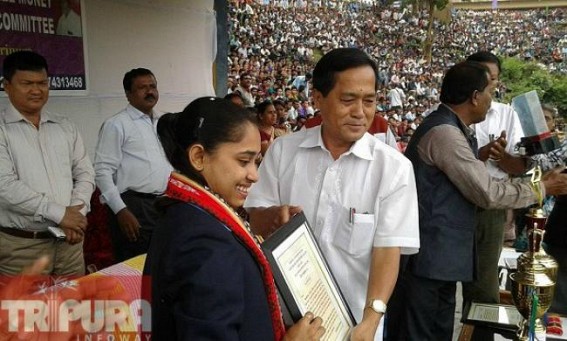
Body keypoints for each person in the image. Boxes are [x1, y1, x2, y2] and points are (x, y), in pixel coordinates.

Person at [244, 48, 420, 341]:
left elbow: (388, 251)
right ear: (317, 99)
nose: (360, 112)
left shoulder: (394, 169)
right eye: (348, 99)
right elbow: (256, 218)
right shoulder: (283, 152)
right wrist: (275, 217)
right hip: (285, 323)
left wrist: (371, 320)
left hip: (353, 327)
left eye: (369, 101)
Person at [398, 61, 567, 340]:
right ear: (475, 96)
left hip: (440, 258)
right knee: (421, 332)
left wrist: (480, 158)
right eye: (491, 91)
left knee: (438, 330)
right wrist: (541, 188)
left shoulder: (455, 129)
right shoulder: (445, 134)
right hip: (427, 259)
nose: (492, 100)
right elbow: (486, 192)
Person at [143, 97, 325, 340]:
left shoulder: (186, 213)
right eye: (243, 161)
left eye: (256, 161)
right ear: (198, 157)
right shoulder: (203, 242)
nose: (254, 175)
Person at [0, 51, 95, 276]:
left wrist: (75, 215)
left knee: (72, 307)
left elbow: (85, 173)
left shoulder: (65, 126)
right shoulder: (3, 130)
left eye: (42, 83)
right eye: (27, 83)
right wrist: (60, 214)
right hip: (23, 247)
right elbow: (5, 186)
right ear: (6, 85)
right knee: (28, 310)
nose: (36, 90)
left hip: (70, 243)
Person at [462, 51, 530, 305]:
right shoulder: (447, 112)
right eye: (483, 77)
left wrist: (500, 157)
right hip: (453, 204)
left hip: (491, 207)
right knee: (442, 281)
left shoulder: (507, 114)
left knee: (484, 285)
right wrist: (477, 156)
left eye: (493, 79)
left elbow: (520, 166)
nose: (489, 84)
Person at [94, 68, 173, 263]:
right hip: (134, 208)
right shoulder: (117, 124)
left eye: (153, 86)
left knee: (162, 266)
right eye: (142, 88)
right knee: (136, 269)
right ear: (128, 94)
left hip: (164, 205)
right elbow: (102, 171)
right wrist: (120, 210)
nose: (150, 91)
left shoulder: (164, 121)